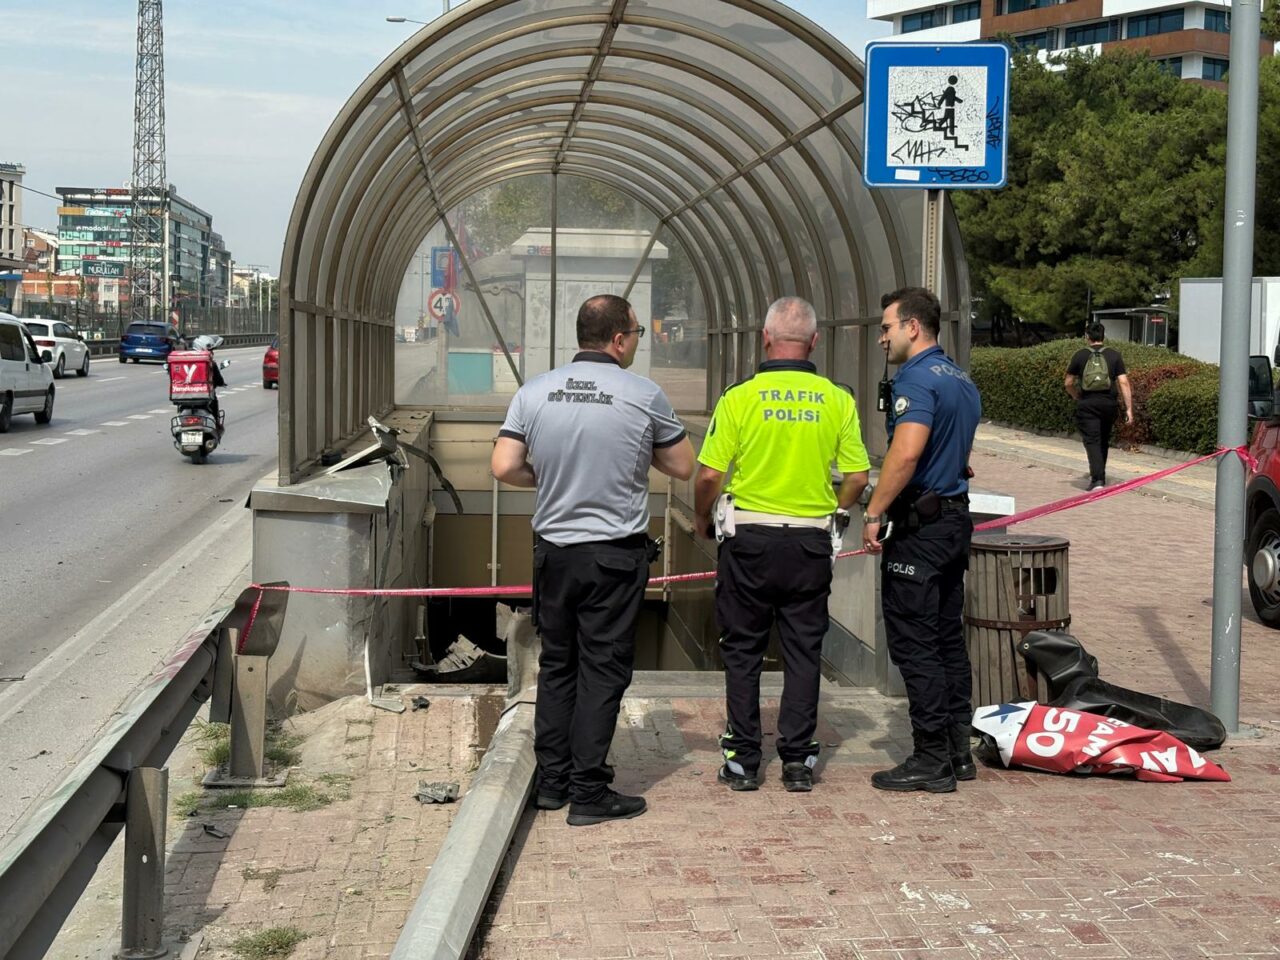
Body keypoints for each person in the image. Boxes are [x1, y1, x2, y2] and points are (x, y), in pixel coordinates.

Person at [491, 294, 695, 826]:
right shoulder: (643, 394)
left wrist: (550, 476)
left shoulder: (535, 391)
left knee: (559, 665)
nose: (636, 343)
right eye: (637, 334)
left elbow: (504, 465)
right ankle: (589, 792)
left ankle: (552, 784)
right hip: (613, 557)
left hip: (554, 554)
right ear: (620, 339)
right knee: (603, 670)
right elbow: (682, 465)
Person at [693, 297, 870, 793]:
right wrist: (834, 510)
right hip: (810, 542)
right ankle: (797, 760)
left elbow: (708, 475)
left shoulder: (740, 397)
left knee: (742, 649)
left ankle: (743, 760)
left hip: (749, 540)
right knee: (803, 650)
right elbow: (857, 477)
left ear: (765, 338)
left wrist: (702, 518)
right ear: (814, 341)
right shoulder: (836, 399)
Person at [862, 287, 981, 794]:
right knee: (948, 638)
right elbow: (956, 454)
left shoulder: (915, 378)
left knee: (916, 642)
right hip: (954, 522)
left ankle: (930, 758)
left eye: (887, 328)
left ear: (913, 327)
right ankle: (957, 752)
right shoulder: (960, 378)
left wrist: (874, 511)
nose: (882, 338)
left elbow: (907, 454)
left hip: (922, 530)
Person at [1065, 323, 1133, 490]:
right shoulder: (1114, 355)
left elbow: (1068, 383)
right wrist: (1129, 409)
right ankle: (1099, 474)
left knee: (1092, 440)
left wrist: (1076, 395)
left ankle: (1097, 480)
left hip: (1087, 403)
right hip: (1109, 404)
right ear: (1103, 336)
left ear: (1087, 337)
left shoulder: (1080, 355)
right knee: (1103, 439)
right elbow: (1123, 382)